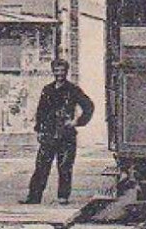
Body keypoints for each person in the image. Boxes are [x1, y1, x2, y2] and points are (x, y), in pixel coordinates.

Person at [24, 57, 95, 205]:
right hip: (49, 134)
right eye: (56, 71)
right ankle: (34, 197)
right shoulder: (47, 90)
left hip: (66, 135)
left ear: (66, 72)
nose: (59, 74)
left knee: (64, 168)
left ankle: (63, 197)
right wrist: (39, 130)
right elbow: (41, 111)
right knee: (41, 167)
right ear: (53, 72)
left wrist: (77, 122)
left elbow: (89, 106)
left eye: (62, 71)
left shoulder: (73, 90)